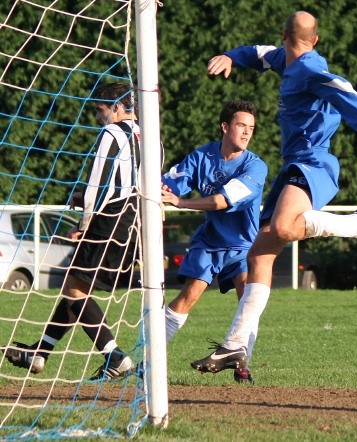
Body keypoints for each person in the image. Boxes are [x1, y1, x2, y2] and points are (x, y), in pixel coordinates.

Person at [190, 11, 357, 374]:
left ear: (285, 34)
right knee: (259, 254)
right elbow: (258, 53)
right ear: (312, 38)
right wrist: (232, 55)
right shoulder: (283, 58)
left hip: (314, 163)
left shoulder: (309, 67)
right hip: (295, 165)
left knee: (287, 227)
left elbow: (340, 87)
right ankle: (235, 347)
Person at [2, 82, 141, 381]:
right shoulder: (148, 137)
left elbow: (97, 186)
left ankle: (116, 358)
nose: (96, 117)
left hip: (110, 219)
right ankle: (39, 353)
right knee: (76, 286)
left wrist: (83, 223)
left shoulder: (111, 133)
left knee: (75, 289)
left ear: (116, 107)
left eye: (99, 110)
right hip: (136, 221)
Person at [159, 100, 267, 384]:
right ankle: (150, 359)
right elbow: (167, 185)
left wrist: (181, 203)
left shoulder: (255, 167)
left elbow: (221, 201)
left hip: (243, 246)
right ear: (225, 127)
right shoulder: (201, 157)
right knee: (189, 295)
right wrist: (157, 192)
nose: (246, 133)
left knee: (247, 300)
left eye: (251, 128)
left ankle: (242, 367)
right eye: (241, 125)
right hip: (209, 242)